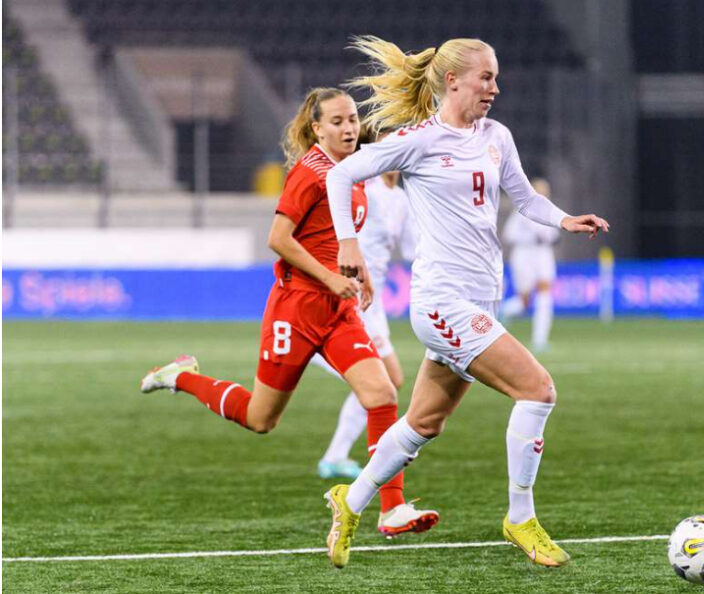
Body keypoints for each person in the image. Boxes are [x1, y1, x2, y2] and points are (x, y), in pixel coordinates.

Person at [321, 36, 609, 568]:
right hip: (442, 303)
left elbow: (522, 196)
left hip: (481, 301)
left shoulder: (496, 135)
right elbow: (340, 173)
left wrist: (564, 218)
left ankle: (351, 498)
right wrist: (348, 242)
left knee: (423, 424)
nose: (495, 88)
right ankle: (521, 517)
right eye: (486, 78)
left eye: (496, 78)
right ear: (452, 80)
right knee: (538, 390)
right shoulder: (419, 140)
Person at [139, 87, 438, 538]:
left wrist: (361, 274)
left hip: (338, 309)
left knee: (381, 394)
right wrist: (330, 276)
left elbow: (340, 238)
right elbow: (278, 238)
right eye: (336, 121)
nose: (348, 127)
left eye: (352, 119)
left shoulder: (354, 174)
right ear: (317, 128)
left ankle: (391, 508)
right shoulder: (309, 171)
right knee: (262, 419)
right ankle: (180, 376)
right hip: (296, 309)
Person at [312, 158, 417, 485]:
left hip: (375, 300)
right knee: (381, 378)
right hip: (353, 293)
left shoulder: (401, 198)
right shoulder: (363, 190)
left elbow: (415, 250)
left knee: (390, 379)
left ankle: (334, 456)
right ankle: (314, 352)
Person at [499, 177, 560, 351]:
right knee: (524, 301)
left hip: (543, 255)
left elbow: (554, 234)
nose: (543, 193)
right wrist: (531, 238)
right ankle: (505, 311)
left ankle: (540, 340)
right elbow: (508, 235)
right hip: (524, 255)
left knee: (544, 294)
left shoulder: (550, 210)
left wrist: (550, 237)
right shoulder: (521, 210)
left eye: (545, 190)